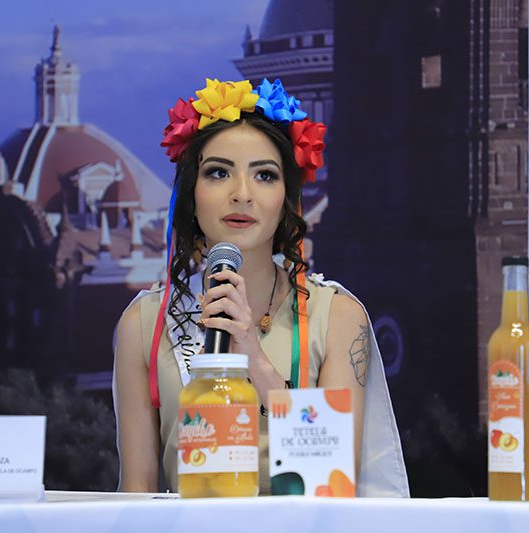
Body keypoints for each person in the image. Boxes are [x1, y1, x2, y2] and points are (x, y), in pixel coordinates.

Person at [114, 78, 408, 497]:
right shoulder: (145, 323)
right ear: (191, 196)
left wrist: (252, 355)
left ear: (286, 200)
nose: (242, 194)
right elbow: (137, 491)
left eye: (264, 175)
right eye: (218, 173)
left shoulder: (337, 316)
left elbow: (335, 484)